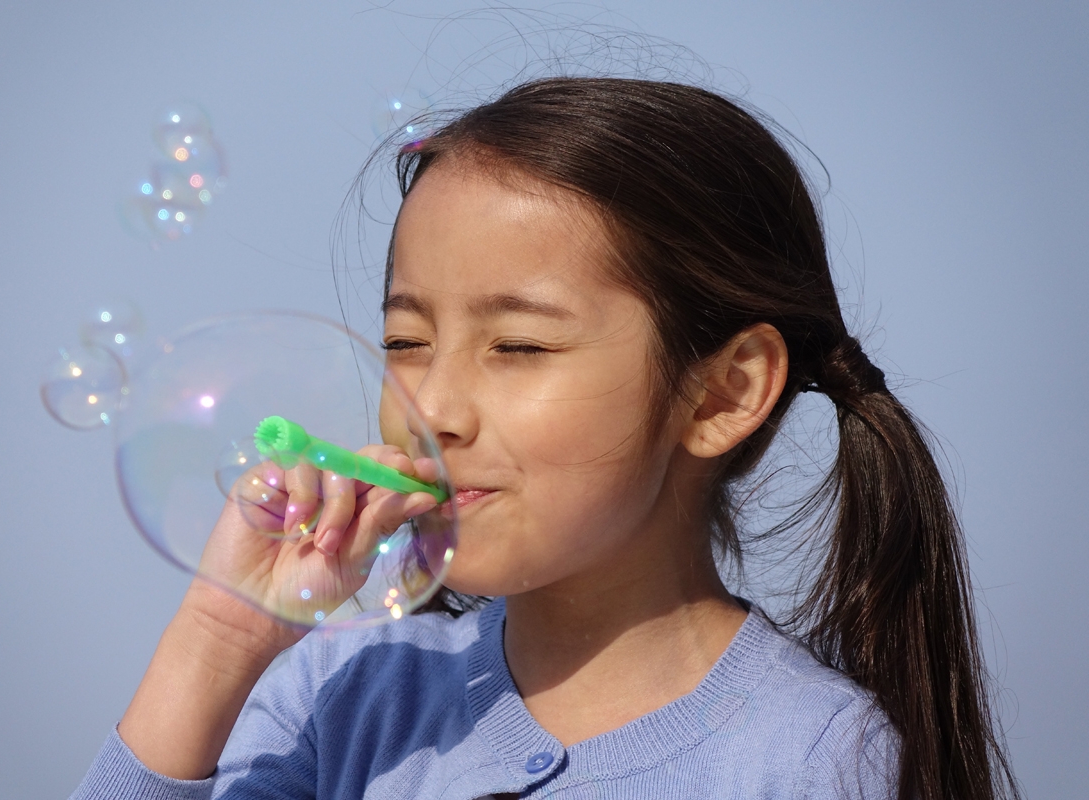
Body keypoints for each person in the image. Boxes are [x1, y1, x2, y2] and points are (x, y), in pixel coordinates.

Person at [71, 77, 1018, 799]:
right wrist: (220, 639)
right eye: (406, 341)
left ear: (723, 394)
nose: (433, 406)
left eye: (517, 345)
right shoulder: (339, 691)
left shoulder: (812, 756)